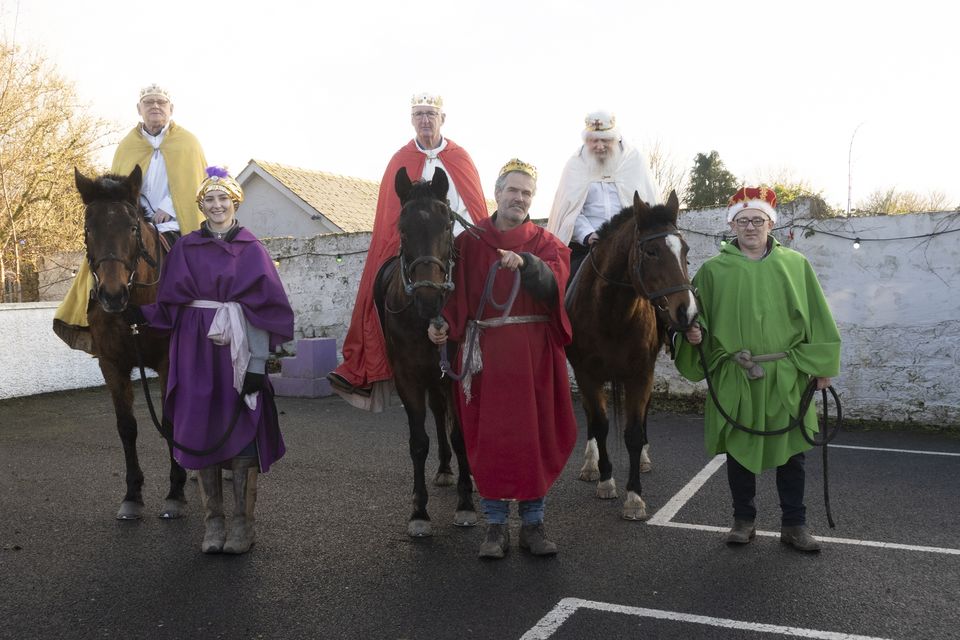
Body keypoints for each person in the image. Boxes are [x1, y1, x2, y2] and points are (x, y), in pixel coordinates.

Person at [129, 167, 294, 555]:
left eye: (223, 199)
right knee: (200, 427)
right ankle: (213, 522)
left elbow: (265, 310)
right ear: (200, 205)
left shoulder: (252, 248)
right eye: (209, 200)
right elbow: (170, 304)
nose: (216, 206)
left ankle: (242, 525)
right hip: (194, 350)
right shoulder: (186, 247)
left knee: (241, 429)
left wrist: (257, 367)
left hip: (236, 353)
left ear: (235, 202)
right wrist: (141, 315)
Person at [673, 186, 841, 552]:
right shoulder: (712, 272)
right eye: (743, 221)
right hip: (737, 376)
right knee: (739, 449)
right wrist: (693, 336)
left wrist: (823, 367)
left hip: (787, 375)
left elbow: (817, 316)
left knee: (793, 450)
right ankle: (743, 520)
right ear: (732, 226)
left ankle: (794, 524)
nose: (751, 227)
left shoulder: (796, 265)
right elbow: (692, 320)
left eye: (758, 220)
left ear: (770, 224)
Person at [428, 159, 576, 559]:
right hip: (486, 358)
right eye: (513, 190)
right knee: (490, 439)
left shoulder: (547, 244)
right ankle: (494, 528)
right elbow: (454, 297)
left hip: (533, 358)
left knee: (533, 437)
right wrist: (442, 323)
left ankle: (533, 524)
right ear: (497, 193)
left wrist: (527, 264)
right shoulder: (469, 243)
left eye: (527, 193)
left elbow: (554, 285)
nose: (520, 198)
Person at [327, 92, 489, 411]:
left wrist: (451, 240)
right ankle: (374, 358)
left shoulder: (460, 158)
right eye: (419, 114)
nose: (425, 120)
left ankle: (487, 357)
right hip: (413, 249)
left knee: (483, 284)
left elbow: (473, 211)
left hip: (454, 245)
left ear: (442, 118)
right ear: (412, 120)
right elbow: (391, 215)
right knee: (381, 283)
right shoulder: (400, 159)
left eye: (431, 113)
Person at [53, 84, 207, 354]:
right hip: (134, 221)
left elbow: (195, 182)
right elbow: (118, 189)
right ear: (140, 109)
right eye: (149, 103)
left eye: (161, 102)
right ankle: (91, 325)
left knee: (194, 266)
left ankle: (199, 329)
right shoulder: (128, 145)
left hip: (175, 222)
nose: (155, 107)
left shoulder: (188, 143)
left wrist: (171, 206)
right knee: (102, 260)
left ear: (171, 109)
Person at [546, 110, 661, 277]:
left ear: (615, 138)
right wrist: (588, 234)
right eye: (594, 141)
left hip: (632, 245)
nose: (599, 146)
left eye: (605, 140)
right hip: (587, 247)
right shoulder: (575, 164)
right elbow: (570, 213)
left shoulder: (634, 161)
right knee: (562, 283)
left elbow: (646, 206)